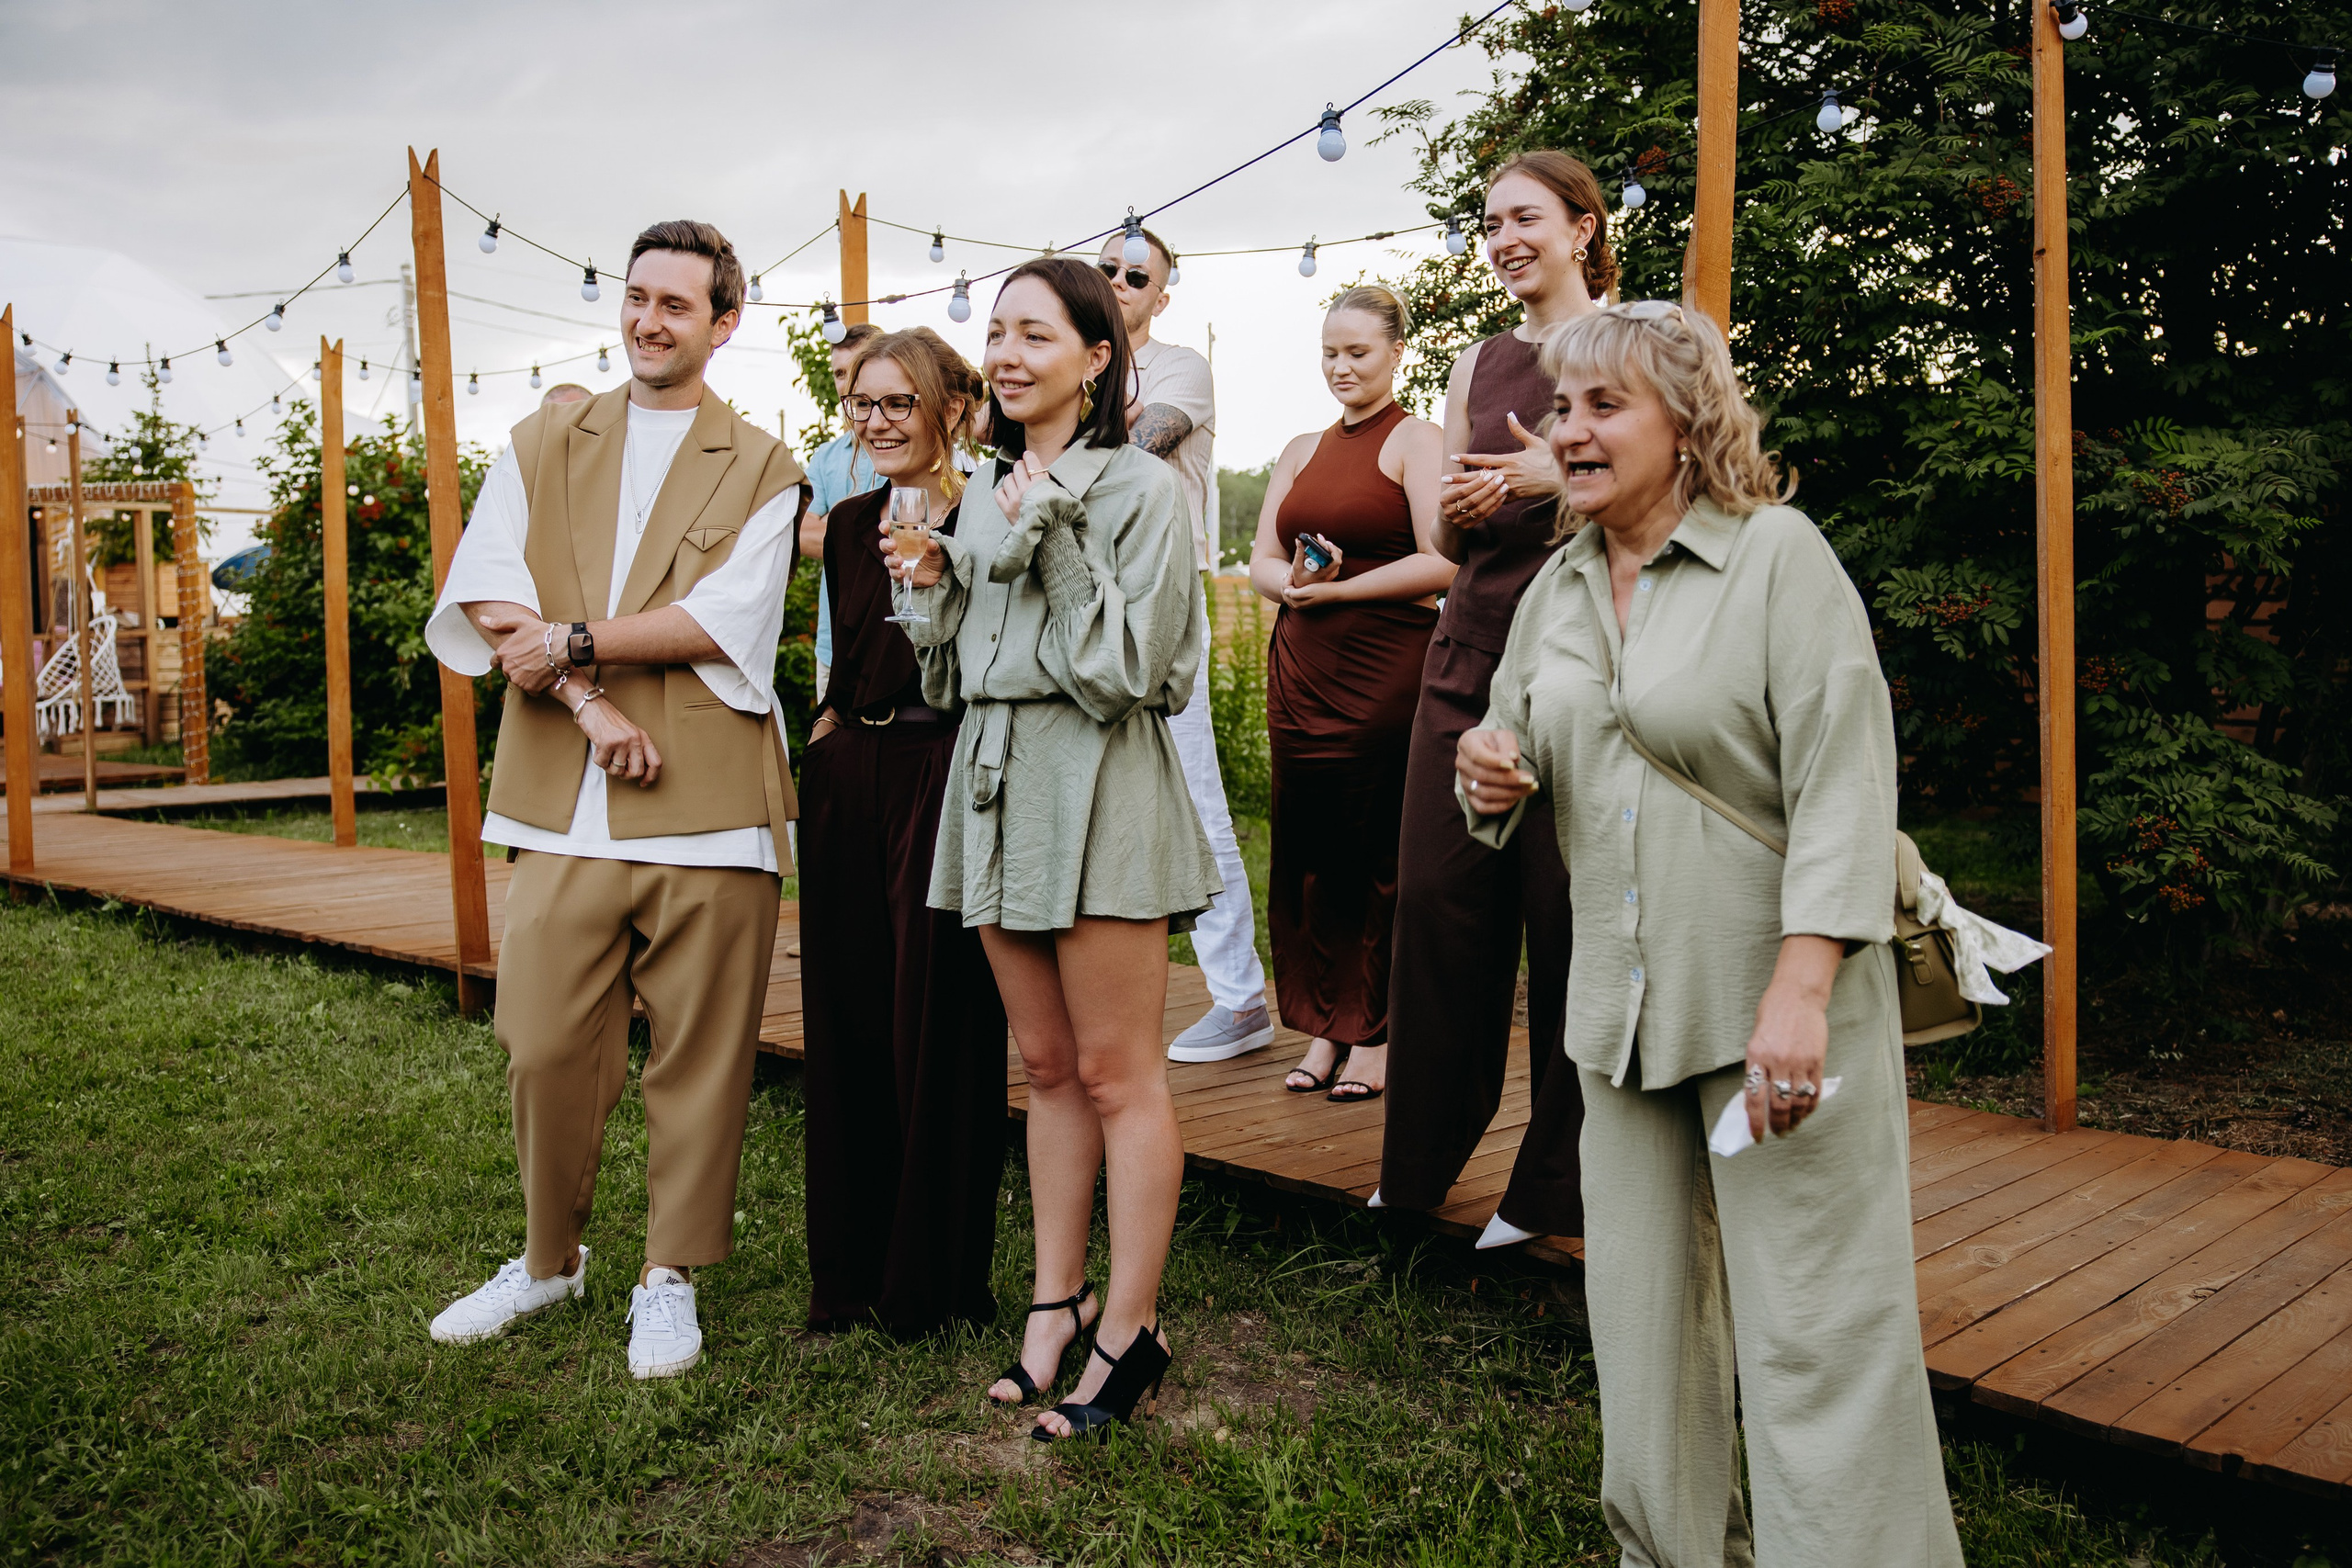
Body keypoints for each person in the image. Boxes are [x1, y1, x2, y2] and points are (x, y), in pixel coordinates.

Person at [1456, 300, 1963, 1566]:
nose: (1569, 430)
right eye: (1561, 408)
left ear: (1686, 422)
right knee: (1642, 1329)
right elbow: (1507, 752)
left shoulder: (1778, 555)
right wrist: (1491, 775)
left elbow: (1848, 780)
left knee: (1817, 1329)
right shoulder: (1557, 583)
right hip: (1621, 1011)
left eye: (1601, 405)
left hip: (1780, 1002)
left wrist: (1801, 991)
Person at [420, 220, 804, 1381]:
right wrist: (590, 702)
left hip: (715, 799)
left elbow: (724, 621)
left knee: (700, 1053)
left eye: (675, 305)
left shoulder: (764, 465)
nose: (647, 320)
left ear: (723, 324)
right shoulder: (544, 436)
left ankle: (668, 1275)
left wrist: (572, 640)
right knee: (538, 1039)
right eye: (636, 297)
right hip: (561, 794)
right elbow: (489, 590)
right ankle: (548, 1261)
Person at [890, 257, 1216, 1441]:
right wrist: (927, 584)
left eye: (1037, 333)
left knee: (1120, 1072)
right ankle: (1053, 1301)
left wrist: (1060, 535)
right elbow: (951, 671)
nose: (1010, 353)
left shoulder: (1138, 491)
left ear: (1096, 356)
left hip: (1099, 782)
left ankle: (1129, 1333)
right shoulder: (978, 490)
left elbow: (1137, 675)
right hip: (994, 781)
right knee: (1043, 1069)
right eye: (997, 332)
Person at [1377, 151, 1605, 1248]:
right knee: (1435, 906)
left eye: (1525, 217)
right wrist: (1466, 504)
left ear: (1581, 227)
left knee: (1564, 924)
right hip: (1467, 655)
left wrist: (1546, 477)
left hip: (1581, 670)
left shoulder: (1635, 341)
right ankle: (1415, 1165)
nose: (1504, 237)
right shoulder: (1481, 358)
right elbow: (1441, 538)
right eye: (1489, 222)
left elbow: (1685, 478)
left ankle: (1548, 1188)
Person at [797, 327, 1007, 1337]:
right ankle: (847, 1277)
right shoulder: (843, 524)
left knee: (939, 1027)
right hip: (849, 775)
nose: (876, 422)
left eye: (898, 403)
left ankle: (934, 1285)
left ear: (951, 410)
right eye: (862, 405)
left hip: (943, 769)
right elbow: (848, 650)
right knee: (845, 1020)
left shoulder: (995, 514)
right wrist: (829, 734)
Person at [1248, 286, 1450, 1102]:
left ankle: (1380, 1031)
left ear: (1397, 352)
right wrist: (1293, 588)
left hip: (1383, 672)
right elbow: (1264, 556)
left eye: (1358, 352)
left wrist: (1340, 592)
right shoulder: (1299, 447)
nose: (1341, 366)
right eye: (1330, 352)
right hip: (1301, 671)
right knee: (1310, 856)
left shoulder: (1417, 440)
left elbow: (1445, 561)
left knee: (1378, 855)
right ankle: (1326, 1022)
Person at [1096, 229, 1272, 1066]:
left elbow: (1133, 451)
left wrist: (1080, 422)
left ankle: (1240, 999)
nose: (1119, 281)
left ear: (1161, 295)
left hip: (1163, 592)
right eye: (1106, 269)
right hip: (1075, 588)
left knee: (1193, 790)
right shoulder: (1077, 362)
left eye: (1137, 275)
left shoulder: (1176, 368)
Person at [800, 322, 887, 705]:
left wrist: (835, 527)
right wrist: (885, 540)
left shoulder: (910, 447)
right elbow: (801, 534)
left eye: (857, 366)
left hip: (899, 637)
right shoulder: (826, 458)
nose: (845, 381)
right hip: (833, 644)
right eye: (838, 372)